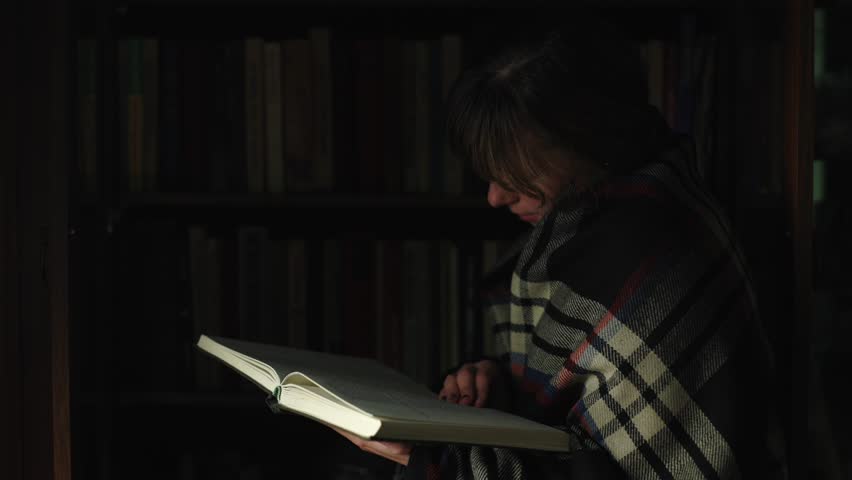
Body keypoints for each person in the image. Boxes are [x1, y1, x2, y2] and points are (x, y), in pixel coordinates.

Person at [334, 19, 788, 480]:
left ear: (592, 141)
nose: (495, 197)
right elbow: (569, 408)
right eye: (491, 174)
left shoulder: (655, 250)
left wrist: (433, 460)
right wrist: (498, 384)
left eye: (518, 174)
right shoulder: (593, 224)